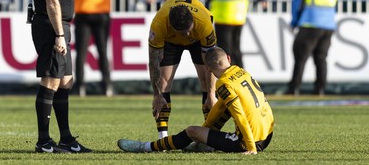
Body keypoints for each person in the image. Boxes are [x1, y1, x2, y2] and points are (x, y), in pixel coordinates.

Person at [117, 46, 274, 154]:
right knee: (221, 108)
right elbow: (219, 109)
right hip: (268, 134)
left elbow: (240, 116)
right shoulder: (241, 71)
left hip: (250, 141)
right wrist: (203, 133)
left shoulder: (224, 84)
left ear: (208, 69)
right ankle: (201, 144)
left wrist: (251, 147)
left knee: (191, 131)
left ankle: (145, 147)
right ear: (228, 58)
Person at [30, 0, 92, 153]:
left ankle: (66, 139)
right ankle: (44, 142)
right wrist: (58, 35)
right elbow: (52, 1)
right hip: (51, 26)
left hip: (59, 26)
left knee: (66, 81)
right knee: (51, 79)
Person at [148, 0, 218, 139]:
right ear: (170, 25)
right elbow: (153, 60)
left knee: (206, 82)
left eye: (188, 30)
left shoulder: (203, 23)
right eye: (182, 32)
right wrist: (156, 94)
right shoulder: (159, 24)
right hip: (171, 41)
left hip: (197, 40)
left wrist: (212, 94)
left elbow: (211, 62)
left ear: (192, 21)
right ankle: (163, 137)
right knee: (163, 84)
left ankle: (209, 137)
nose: (186, 35)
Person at [287, 0, 342, 96]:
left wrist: (294, 22)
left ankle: (294, 87)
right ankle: (320, 88)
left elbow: (297, 5)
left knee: (300, 57)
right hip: (328, 26)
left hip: (310, 24)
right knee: (321, 58)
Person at [72, 0, 119, 97]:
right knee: (103, 50)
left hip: (83, 12)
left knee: (81, 52)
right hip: (102, 12)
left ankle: (80, 87)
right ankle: (107, 86)